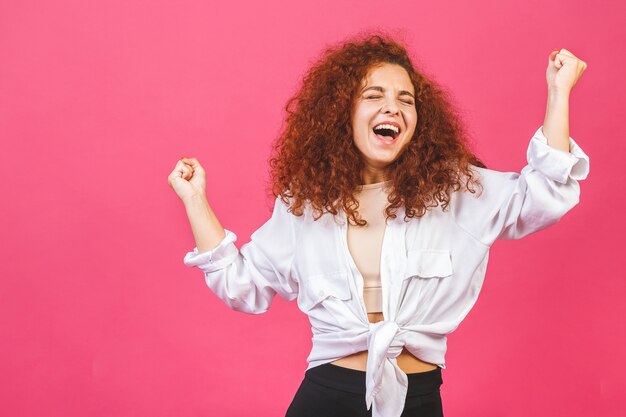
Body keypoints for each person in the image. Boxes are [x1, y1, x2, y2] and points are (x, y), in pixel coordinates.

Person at [167, 34, 589, 417]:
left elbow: (546, 192)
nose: (393, 106)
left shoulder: (458, 191)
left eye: (406, 100)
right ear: (342, 114)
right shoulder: (304, 206)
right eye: (374, 95)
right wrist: (195, 200)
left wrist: (558, 92)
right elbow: (242, 285)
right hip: (325, 396)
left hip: (418, 398)